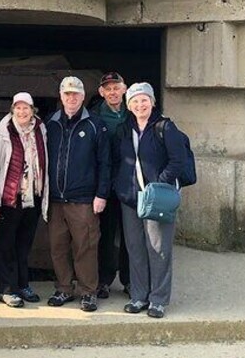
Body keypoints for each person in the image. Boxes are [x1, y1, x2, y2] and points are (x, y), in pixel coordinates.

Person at [113, 82, 188, 319]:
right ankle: (139, 296)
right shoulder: (125, 129)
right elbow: (118, 160)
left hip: (156, 198)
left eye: (144, 100)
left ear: (152, 102)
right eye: (134, 101)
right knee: (135, 248)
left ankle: (158, 300)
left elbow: (178, 160)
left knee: (158, 249)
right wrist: (120, 187)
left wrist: (159, 184)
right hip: (131, 198)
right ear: (129, 105)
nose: (140, 104)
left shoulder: (165, 127)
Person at [44, 76, 110, 313]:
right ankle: (63, 288)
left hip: (83, 199)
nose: (71, 98)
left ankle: (88, 292)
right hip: (55, 199)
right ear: (61, 97)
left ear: (83, 96)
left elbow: (105, 163)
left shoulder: (95, 124)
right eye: (67, 94)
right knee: (58, 246)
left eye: (75, 94)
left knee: (85, 246)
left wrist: (101, 194)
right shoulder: (49, 123)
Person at [0, 92, 47, 308]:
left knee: (24, 244)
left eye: (26, 108)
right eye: (18, 108)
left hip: (32, 197)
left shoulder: (40, 129)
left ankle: (22, 284)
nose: (22, 112)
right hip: (9, 198)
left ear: (32, 110)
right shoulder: (2, 133)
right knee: (5, 244)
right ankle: (6, 288)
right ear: (12, 110)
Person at [89, 72, 131, 299]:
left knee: (130, 235)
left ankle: (129, 280)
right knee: (105, 234)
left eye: (117, 87)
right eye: (108, 89)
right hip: (105, 184)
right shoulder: (95, 117)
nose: (113, 92)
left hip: (130, 184)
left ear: (124, 89)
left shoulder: (134, 112)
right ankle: (103, 280)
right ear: (101, 92)